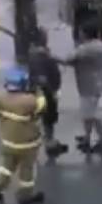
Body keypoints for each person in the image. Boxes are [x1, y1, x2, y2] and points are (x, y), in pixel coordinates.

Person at [0, 67, 47, 204]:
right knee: (27, 169)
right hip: (27, 144)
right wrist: (39, 91)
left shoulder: (0, 99)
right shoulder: (30, 100)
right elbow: (41, 107)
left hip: (8, 142)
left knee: (7, 165)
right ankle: (25, 195)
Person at [29, 28, 68, 160]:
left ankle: (49, 143)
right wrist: (50, 91)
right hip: (45, 92)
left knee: (47, 119)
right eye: (45, 36)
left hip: (46, 90)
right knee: (47, 119)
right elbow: (41, 77)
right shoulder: (39, 56)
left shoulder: (41, 54)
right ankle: (47, 144)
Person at [72, 26, 102, 156]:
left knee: (92, 115)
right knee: (88, 114)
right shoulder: (99, 45)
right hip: (95, 83)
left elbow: (70, 58)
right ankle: (88, 138)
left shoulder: (86, 48)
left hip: (88, 85)